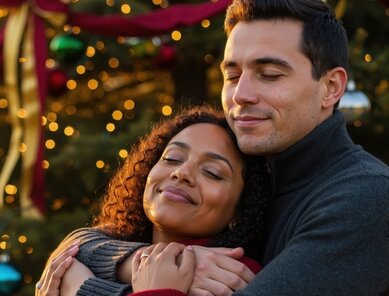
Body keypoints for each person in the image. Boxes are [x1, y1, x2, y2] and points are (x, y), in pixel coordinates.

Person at [40, 0, 389, 295]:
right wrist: (144, 260)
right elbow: (83, 243)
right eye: (232, 75)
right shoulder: (260, 172)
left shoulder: (366, 199)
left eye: (269, 75)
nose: (241, 95)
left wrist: (80, 288)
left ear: (331, 88)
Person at [36, 105, 271, 296]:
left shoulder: (230, 278)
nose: (181, 173)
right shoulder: (112, 241)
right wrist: (156, 261)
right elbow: (76, 245)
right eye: (172, 158)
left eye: (212, 172)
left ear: (241, 211)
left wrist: (80, 289)